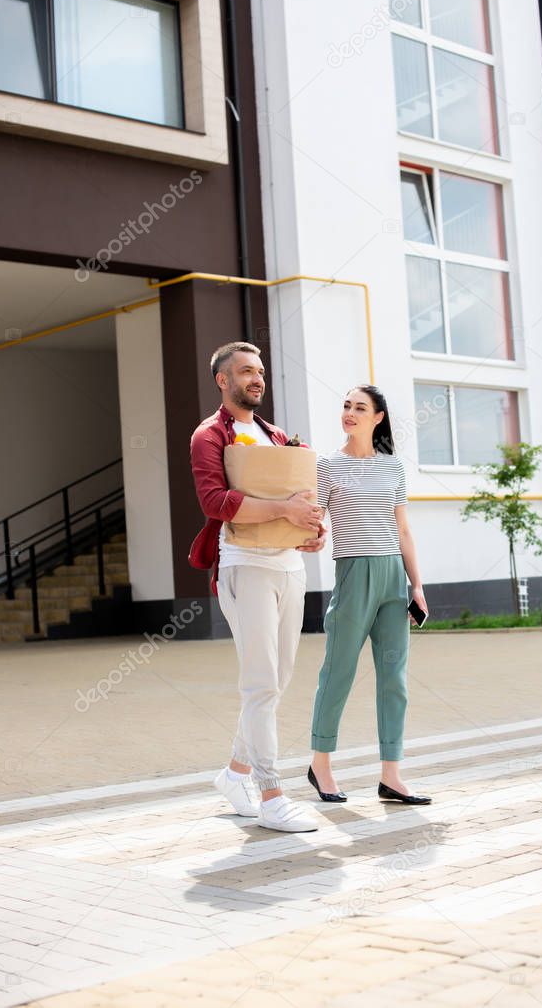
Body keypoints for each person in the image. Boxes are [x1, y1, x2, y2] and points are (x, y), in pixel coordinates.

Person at [190, 341, 325, 833]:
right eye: (246, 371)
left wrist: (310, 527)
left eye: (261, 371)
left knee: (278, 680)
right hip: (245, 565)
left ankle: (234, 773)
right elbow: (214, 501)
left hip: (290, 565)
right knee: (261, 683)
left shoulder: (277, 436)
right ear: (223, 380)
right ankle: (271, 795)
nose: (257, 379)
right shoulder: (209, 435)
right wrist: (284, 511)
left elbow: (299, 497)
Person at [307, 384, 432, 805]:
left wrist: (416, 585)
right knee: (338, 673)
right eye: (346, 406)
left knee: (394, 679)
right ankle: (320, 765)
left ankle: (391, 776)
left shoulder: (392, 467)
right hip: (353, 574)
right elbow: (316, 520)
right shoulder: (327, 467)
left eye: (360, 407)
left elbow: (403, 530)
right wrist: (315, 535)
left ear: (378, 417)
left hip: (393, 580)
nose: (350, 413)